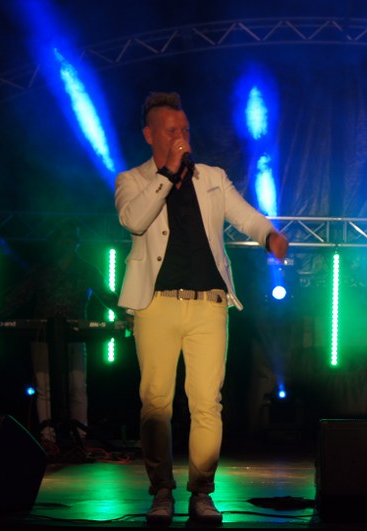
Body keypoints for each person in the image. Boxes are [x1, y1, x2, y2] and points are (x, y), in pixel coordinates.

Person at [115, 91, 289, 526]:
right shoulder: (132, 180)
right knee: (156, 403)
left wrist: (269, 236)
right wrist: (167, 173)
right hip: (156, 304)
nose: (181, 136)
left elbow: (245, 215)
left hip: (209, 304)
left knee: (207, 403)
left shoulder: (211, 177)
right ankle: (161, 490)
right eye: (171, 130)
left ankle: (201, 492)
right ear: (150, 135)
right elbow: (134, 220)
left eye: (185, 129)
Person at [0, 222, 120, 450]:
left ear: (76, 243)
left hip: (75, 335)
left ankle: (80, 435)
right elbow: (18, 295)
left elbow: (107, 296)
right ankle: (47, 437)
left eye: (69, 239)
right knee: (44, 386)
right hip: (43, 335)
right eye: (61, 239)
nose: (65, 243)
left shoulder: (87, 269)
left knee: (78, 385)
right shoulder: (41, 269)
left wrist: (127, 315)